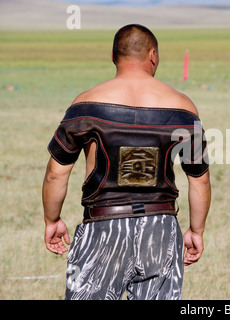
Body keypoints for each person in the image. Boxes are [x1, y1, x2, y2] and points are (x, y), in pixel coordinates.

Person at [42, 24, 211, 300]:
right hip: (161, 228)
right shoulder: (183, 107)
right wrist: (196, 229)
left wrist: (52, 219)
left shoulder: (85, 105)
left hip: (101, 227)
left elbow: (56, 173)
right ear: (153, 56)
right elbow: (199, 178)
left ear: (113, 56)